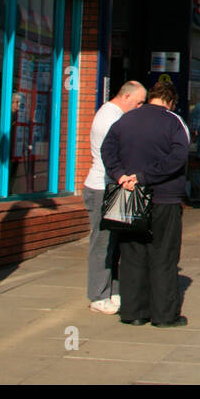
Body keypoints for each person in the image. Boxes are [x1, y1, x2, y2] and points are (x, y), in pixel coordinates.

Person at [101, 80, 191, 327]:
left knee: (131, 253)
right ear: (171, 101)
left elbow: (107, 149)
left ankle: (133, 312)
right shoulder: (174, 122)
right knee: (164, 255)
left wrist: (121, 175)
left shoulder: (125, 120)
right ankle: (164, 315)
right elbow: (179, 156)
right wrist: (146, 176)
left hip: (129, 195)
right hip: (165, 198)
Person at [84, 81, 146, 314]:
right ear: (127, 97)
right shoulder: (111, 118)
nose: (140, 107)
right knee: (102, 243)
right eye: (139, 102)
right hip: (102, 187)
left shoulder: (112, 114)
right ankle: (98, 296)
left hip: (111, 186)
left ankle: (113, 290)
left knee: (114, 243)